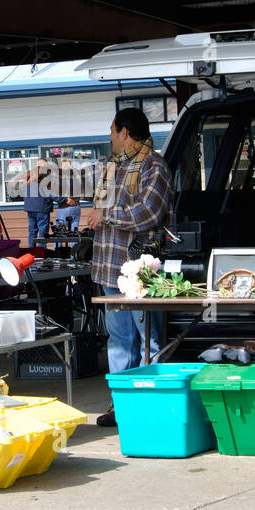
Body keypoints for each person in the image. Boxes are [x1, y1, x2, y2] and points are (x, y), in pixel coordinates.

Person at [84, 108, 171, 428]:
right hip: (110, 269)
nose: (109, 137)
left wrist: (104, 215)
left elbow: (148, 213)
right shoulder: (113, 167)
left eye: (111, 130)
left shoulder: (154, 166)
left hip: (140, 271)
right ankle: (121, 404)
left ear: (124, 133)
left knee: (148, 340)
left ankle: (153, 402)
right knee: (119, 340)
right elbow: (84, 179)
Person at [18, 160, 56, 247]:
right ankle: (41, 254)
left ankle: (32, 253)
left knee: (32, 232)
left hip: (30, 209)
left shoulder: (27, 183)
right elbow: (52, 195)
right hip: (41, 209)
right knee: (43, 233)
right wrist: (65, 200)